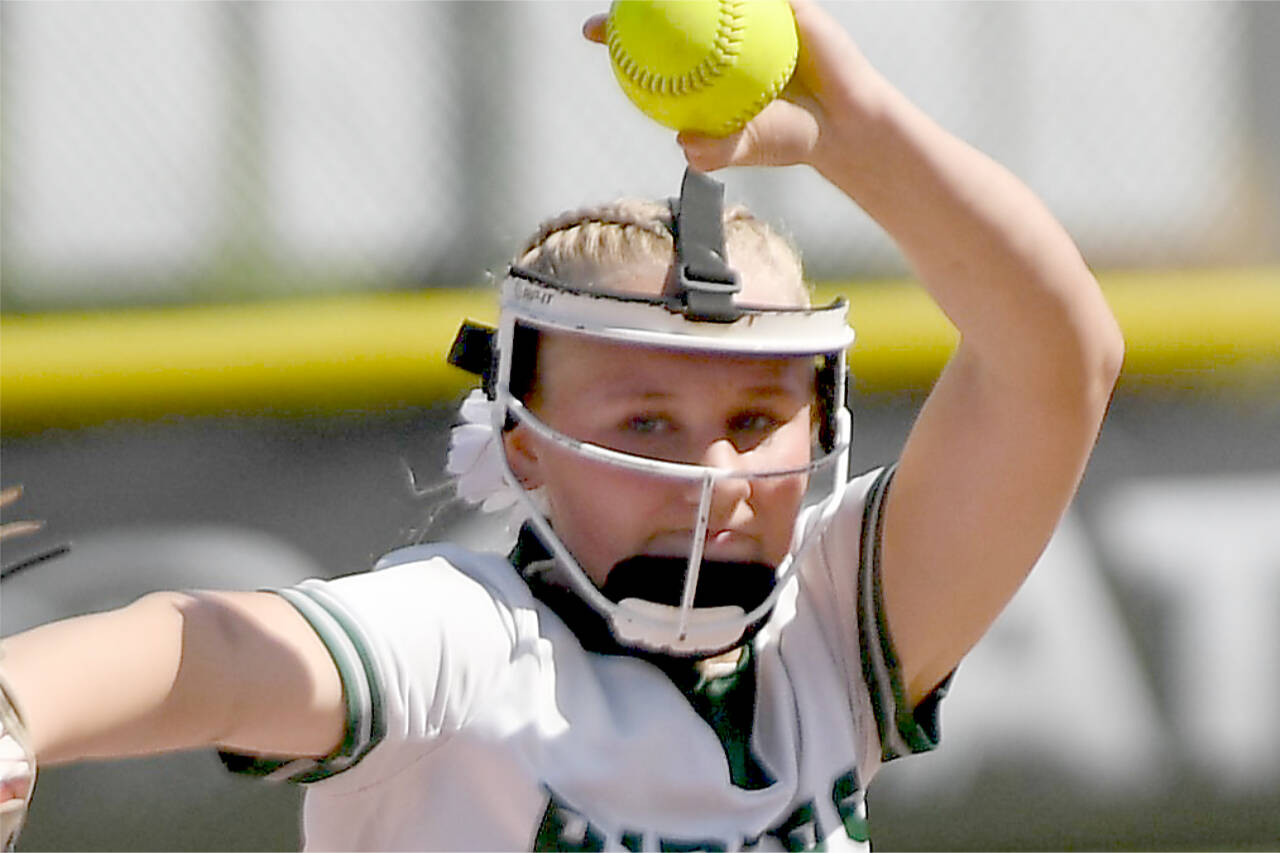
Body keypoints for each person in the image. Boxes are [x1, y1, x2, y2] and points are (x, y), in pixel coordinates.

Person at [0, 1, 1124, 850]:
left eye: (753, 413)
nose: (713, 467)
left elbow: (1055, 362)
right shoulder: (469, 637)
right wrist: (19, 703)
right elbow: (212, 651)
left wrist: (862, 131)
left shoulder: (829, 633)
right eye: (646, 416)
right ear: (523, 441)